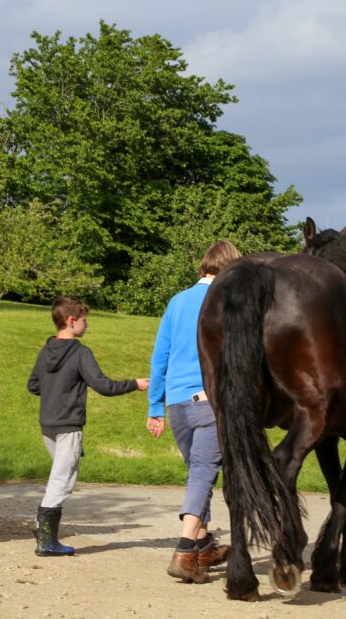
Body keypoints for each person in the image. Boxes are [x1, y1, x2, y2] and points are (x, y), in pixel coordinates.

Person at [147, 240, 241, 583]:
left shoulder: (177, 301)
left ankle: (203, 546)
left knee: (197, 477)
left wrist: (155, 405)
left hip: (176, 405)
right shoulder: (227, 301)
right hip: (208, 401)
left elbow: (160, 358)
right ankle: (185, 549)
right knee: (203, 473)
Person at [27, 296, 148, 556]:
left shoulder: (46, 350)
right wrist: (135, 384)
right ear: (71, 321)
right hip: (69, 425)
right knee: (64, 479)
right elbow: (103, 386)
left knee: (58, 475)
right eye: (84, 320)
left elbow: (33, 385)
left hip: (47, 423)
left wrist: (56, 391)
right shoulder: (81, 353)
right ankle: (46, 540)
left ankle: (42, 526)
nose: (87, 325)